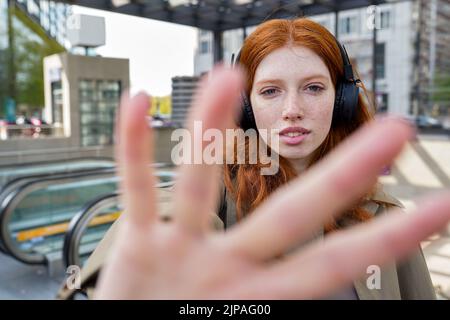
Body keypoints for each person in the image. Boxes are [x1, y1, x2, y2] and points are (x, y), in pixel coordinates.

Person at [59, 18, 450, 300]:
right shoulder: (216, 195)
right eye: (270, 91)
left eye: (313, 87)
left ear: (342, 99)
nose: (293, 109)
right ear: (245, 108)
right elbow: (171, 214)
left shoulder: (383, 215)